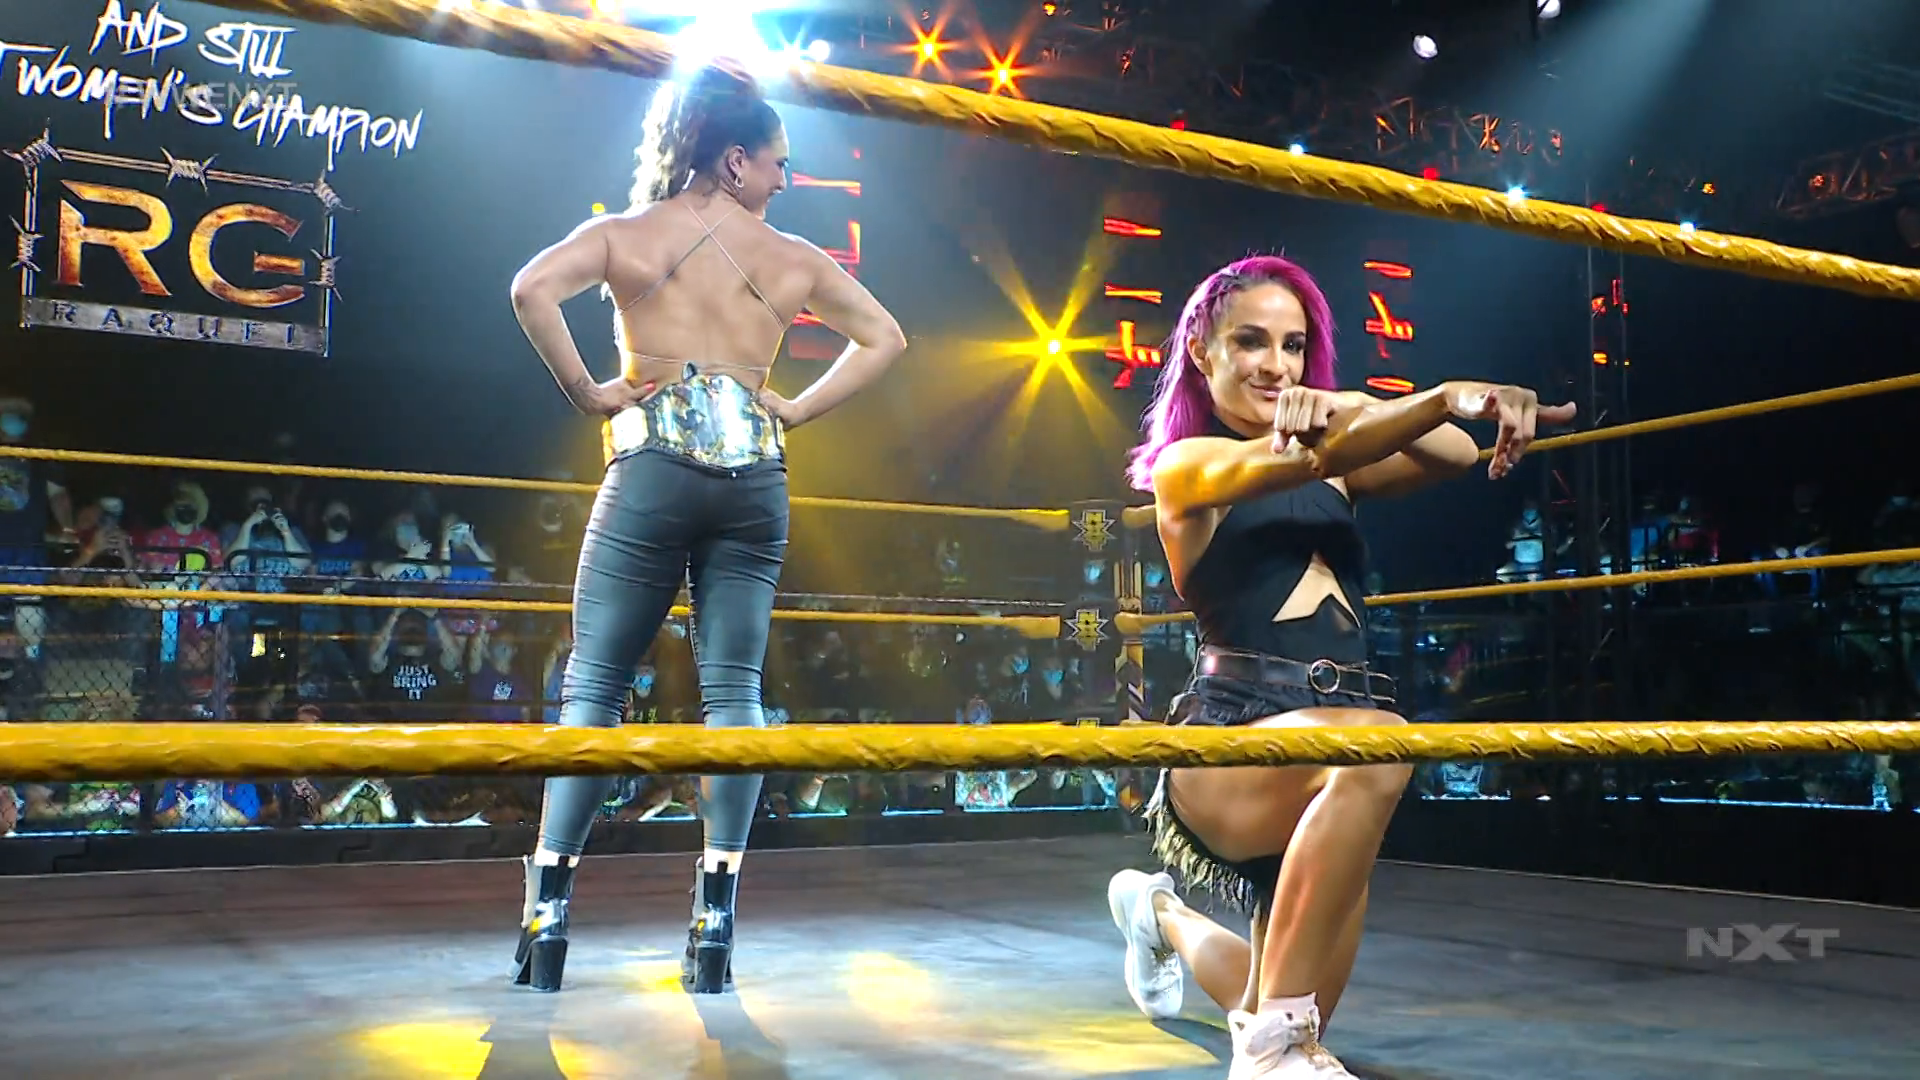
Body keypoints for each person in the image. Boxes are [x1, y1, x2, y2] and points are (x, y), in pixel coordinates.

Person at [1104, 255, 1572, 1078]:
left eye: (1293, 346)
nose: (1274, 365)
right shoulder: (1187, 465)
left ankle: (1156, 912)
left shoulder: (1345, 466)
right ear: (1201, 352)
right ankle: (1272, 1054)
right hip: (1231, 746)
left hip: (1332, 756)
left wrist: (1358, 403)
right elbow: (1305, 461)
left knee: (1269, 997)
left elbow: (1454, 454)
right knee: (1380, 748)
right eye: (1250, 341)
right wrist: (1434, 395)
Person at [505, 63, 907, 994]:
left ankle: (548, 911)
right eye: (777, 163)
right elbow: (886, 337)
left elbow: (530, 290)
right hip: (754, 479)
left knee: (595, 688)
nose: (784, 180)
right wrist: (793, 410)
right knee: (735, 695)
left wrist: (588, 392)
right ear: (734, 160)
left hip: (652, 466)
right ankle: (716, 918)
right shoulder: (793, 259)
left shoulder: (626, 233)